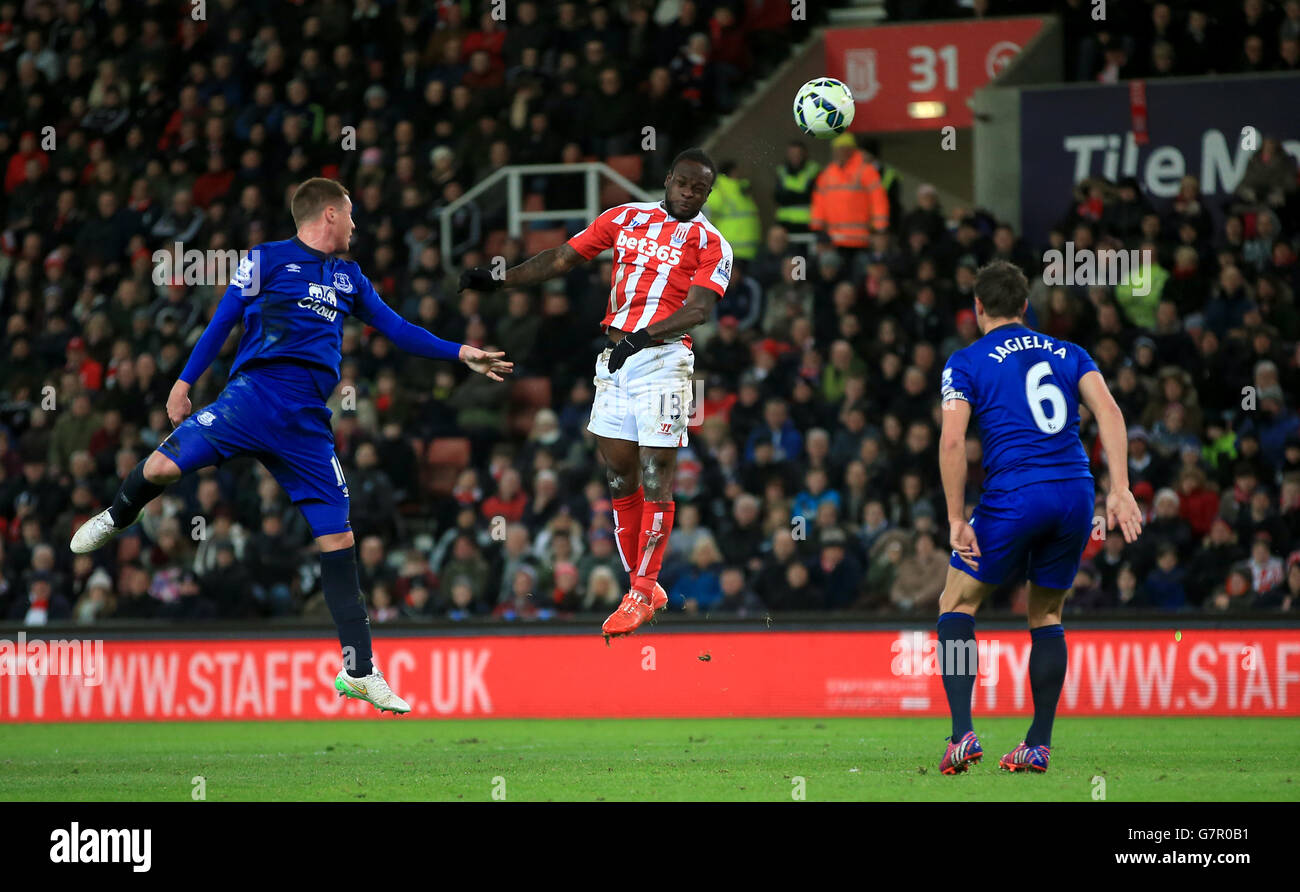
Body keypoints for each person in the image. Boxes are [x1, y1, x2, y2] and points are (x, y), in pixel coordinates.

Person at [71, 177, 512, 714]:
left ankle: (359, 669)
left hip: (306, 423)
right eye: (350, 214)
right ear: (328, 214)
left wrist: (461, 352)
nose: (356, 224)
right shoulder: (267, 259)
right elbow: (223, 320)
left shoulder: (349, 276)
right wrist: (184, 382)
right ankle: (118, 515)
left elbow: (397, 329)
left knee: (338, 541)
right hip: (251, 399)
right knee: (161, 469)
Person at [459, 148, 732, 641]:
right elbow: (563, 257)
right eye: (685, 183)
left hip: (668, 362)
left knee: (656, 473)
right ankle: (643, 587)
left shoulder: (712, 243)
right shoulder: (625, 217)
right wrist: (500, 280)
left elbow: (698, 311)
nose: (691, 193)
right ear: (668, 179)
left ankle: (642, 588)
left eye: (701, 189)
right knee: (618, 474)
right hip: (616, 362)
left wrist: (641, 338)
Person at [935, 260, 1143, 774]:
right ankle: (1038, 744)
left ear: (977, 308)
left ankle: (963, 734)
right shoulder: (1070, 352)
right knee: (1047, 615)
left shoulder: (965, 362)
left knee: (956, 605)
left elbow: (953, 441)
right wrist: (1120, 488)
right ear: (1026, 307)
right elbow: (1111, 413)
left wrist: (956, 516)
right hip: (1075, 493)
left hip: (1015, 494)